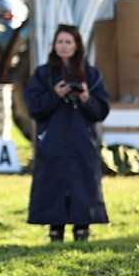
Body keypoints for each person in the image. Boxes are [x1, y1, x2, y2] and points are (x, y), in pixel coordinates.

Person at [26, 25, 111, 241]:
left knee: (83, 183)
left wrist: (86, 98)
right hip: (52, 141)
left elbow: (101, 110)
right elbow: (35, 108)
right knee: (52, 183)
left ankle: (83, 228)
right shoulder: (43, 74)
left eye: (68, 42)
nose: (64, 47)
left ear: (77, 46)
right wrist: (55, 95)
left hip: (82, 141)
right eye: (60, 42)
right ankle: (55, 229)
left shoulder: (91, 74)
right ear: (54, 46)